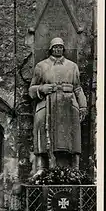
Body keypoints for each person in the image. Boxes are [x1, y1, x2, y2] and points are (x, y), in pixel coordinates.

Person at [29, 37, 87, 174]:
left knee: (73, 135)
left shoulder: (72, 66)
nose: (58, 49)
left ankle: (74, 170)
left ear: (64, 49)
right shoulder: (41, 66)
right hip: (48, 102)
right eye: (55, 47)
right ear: (51, 49)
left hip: (68, 103)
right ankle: (42, 168)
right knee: (42, 129)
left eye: (60, 47)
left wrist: (83, 106)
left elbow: (78, 88)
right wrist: (41, 89)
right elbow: (31, 89)